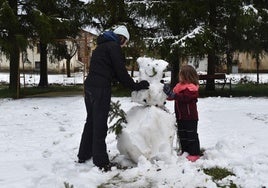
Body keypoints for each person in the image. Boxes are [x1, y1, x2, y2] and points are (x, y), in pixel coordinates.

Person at [77, 25, 150, 171]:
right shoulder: (113, 47)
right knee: (99, 124)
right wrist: (136, 86)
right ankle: (101, 161)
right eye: (125, 42)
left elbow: (110, 70)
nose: (123, 46)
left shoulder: (101, 47)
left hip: (90, 87)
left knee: (90, 121)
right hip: (100, 89)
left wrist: (118, 79)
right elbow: (121, 72)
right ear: (122, 38)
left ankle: (84, 154)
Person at [163, 65, 200, 162]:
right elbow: (173, 97)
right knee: (182, 134)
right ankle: (185, 151)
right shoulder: (179, 86)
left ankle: (194, 153)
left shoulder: (192, 88)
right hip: (180, 116)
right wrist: (167, 93)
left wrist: (174, 95)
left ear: (187, 76)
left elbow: (184, 98)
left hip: (190, 117)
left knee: (191, 135)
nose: (179, 77)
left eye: (181, 75)